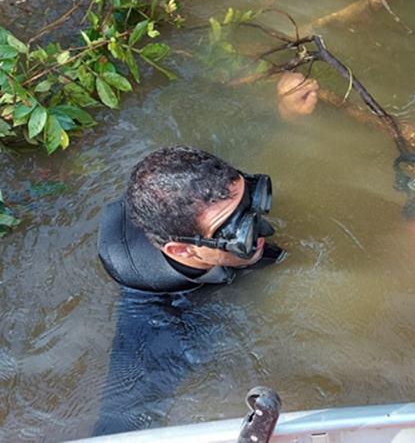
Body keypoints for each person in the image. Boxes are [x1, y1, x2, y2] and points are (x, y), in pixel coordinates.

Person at [93, 74, 318, 435]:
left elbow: (240, 143)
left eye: (252, 202)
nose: (259, 228)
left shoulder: (210, 187)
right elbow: (121, 425)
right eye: (234, 229)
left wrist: (283, 114)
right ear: (181, 249)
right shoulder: (154, 323)